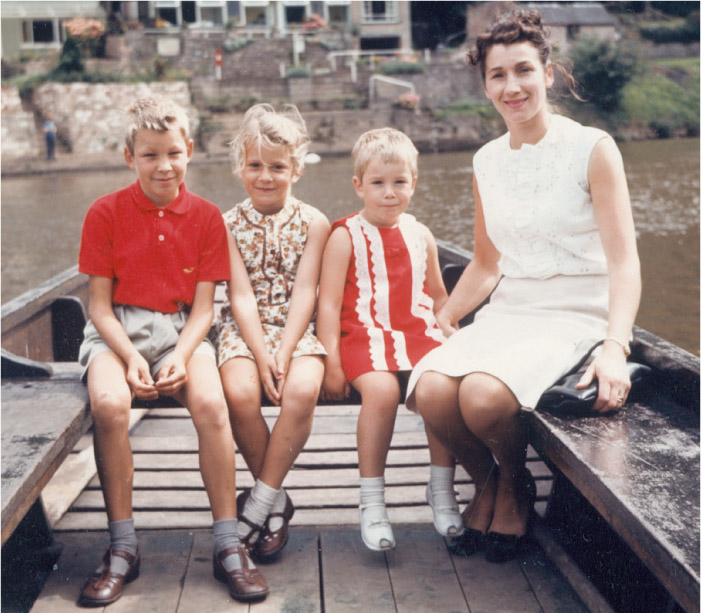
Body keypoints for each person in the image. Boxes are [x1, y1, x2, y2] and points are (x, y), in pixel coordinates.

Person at [407, 9, 641, 564]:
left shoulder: (593, 148)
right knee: (432, 389)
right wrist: (446, 315)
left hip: (576, 312)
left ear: (548, 73)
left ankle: (512, 484)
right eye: (497, 75)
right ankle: (495, 479)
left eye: (523, 71)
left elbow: (625, 262)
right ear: (485, 85)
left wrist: (615, 346)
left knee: (483, 397)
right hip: (512, 310)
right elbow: (487, 264)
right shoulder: (486, 160)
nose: (512, 87)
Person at [76, 95, 269, 605]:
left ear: (189, 151)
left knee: (211, 403)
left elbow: (205, 310)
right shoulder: (104, 212)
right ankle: (123, 547)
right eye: (149, 155)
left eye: (173, 153)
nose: (164, 166)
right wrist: (131, 357)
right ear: (129, 157)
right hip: (115, 332)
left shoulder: (207, 217)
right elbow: (97, 307)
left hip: (183, 330)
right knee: (110, 405)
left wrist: (181, 355)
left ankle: (229, 543)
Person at [316, 128, 464, 551]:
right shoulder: (345, 236)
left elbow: (438, 297)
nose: (389, 193)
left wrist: (450, 331)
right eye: (378, 183)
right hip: (364, 334)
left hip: (417, 333)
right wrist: (332, 361)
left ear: (413, 183)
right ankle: (372, 501)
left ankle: (440, 488)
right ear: (359, 186)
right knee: (380, 393)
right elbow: (327, 305)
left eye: (399, 182)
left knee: (439, 387)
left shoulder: (421, 234)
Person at [211, 103, 329, 562]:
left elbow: (306, 292)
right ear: (240, 166)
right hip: (245, 329)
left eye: (277, 167)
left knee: (300, 391)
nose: (265, 176)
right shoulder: (227, 223)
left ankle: (258, 503)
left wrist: (284, 350)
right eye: (255, 165)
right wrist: (262, 355)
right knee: (239, 392)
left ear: (296, 169)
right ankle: (277, 505)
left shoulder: (314, 222)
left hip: (297, 327)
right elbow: (239, 297)